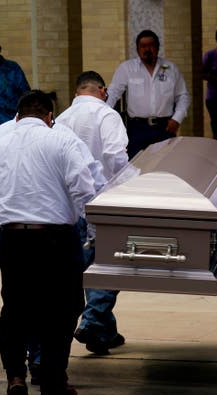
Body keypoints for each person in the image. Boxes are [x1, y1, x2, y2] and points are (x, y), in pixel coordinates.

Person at [0, 90, 98, 395]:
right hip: (56, 239)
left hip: (13, 239)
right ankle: (53, 383)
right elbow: (84, 192)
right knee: (63, 308)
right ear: (49, 117)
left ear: (17, 117)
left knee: (16, 307)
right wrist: (96, 231)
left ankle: (15, 376)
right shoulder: (63, 141)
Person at [55, 71, 129, 355]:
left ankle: (104, 332)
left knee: (85, 268)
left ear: (77, 91)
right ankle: (92, 320)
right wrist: (123, 185)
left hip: (69, 207)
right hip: (101, 200)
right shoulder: (106, 115)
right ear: (102, 90)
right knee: (111, 267)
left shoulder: (61, 119)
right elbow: (116, 155)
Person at [106, 29, 191, 159]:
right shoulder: (127, 69)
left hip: (165, 128)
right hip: (137, 129)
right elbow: (113, 93)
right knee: (137, 167)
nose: (147, 49)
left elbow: (183, 96)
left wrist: (177, 119)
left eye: (151, 45)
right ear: (137, 49)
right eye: (143, 46)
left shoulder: (171, 68)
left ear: (157, 47)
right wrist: (104, 115)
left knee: (165, 166)